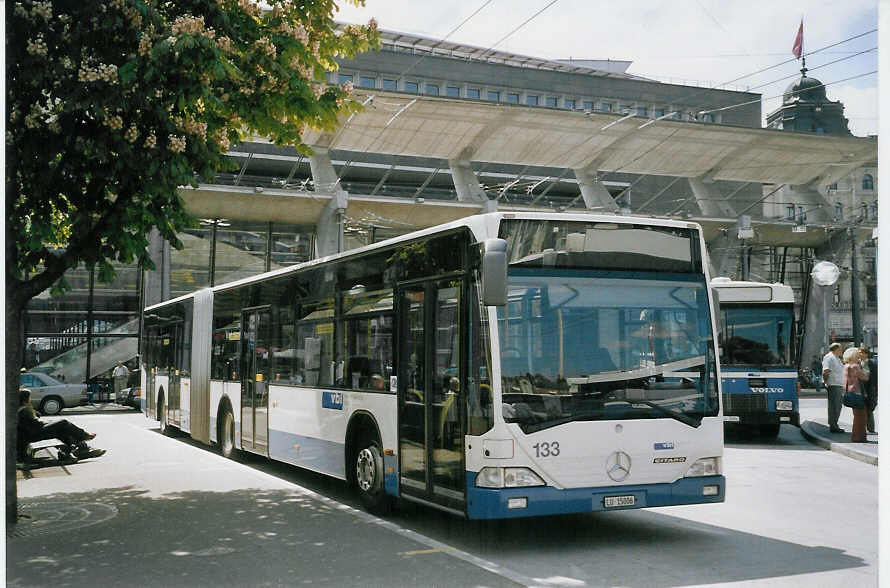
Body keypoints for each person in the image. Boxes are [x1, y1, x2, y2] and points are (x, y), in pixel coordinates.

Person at [17, 389, 105, 461]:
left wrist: (38, 415)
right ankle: (84, 436)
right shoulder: (25, 410)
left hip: (28, 434)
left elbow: (34, 420)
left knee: (61, 430)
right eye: (29, 398)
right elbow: (36, 424)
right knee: (63, 422)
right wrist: (47, 422)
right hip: (33, 434)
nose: (31, 399)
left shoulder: (21, 409)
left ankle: (80, 448)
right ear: (26, 399)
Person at [843, 347, 869, 443]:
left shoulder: (846, 366)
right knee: (861, 417)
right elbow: (865, 377)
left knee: (856, 416)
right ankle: (859, 437)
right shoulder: (855, 366)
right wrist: (866, 370)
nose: (859, 357)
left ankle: (855, 436)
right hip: (857, 393)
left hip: (849, 392)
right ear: (853, 356)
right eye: (857, 355)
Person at [822, 342, 845, 433]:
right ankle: (833, 425)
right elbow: (826, 371)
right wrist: (825, 382)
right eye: (840, 349)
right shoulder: (829, 357)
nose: (841, 350)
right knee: (834, 406)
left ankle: (834, 424)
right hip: (833, 384)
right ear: (836, 349)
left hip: (838, 384)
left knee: (838, 405)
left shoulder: (837, 358)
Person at [860, 346, 878, 434]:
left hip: (870, 388)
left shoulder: (871, 364)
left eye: (861, 352)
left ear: (866, 354)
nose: (860, 354)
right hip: (860, 388)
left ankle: (870, 428)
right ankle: (862, 428)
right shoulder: (859, 363)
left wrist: (875, 389)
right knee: (861, 408)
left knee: (869, 408)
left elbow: (875, 377)